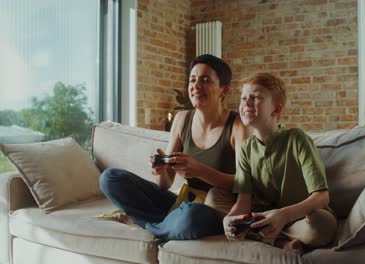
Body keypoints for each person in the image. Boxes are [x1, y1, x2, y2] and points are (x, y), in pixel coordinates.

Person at [99, 54, 250, 240]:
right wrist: (162, 170)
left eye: (205, 80)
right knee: (110, 178)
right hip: (181, 203)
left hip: (212, 210)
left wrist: (200, 170)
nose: (196, 86)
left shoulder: (237, 125)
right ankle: (164, 225)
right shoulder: (181, 119)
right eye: (192, 80)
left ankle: (144, 224)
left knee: (192, 215)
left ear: (223, 90)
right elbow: (164, 185)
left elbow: (245, 183)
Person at [223, 73, 337, 254]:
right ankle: (278, 239)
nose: (246, 102)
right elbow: (243, 202)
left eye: (256, 97)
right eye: (244, 98)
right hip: (265, 219)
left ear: (276, 110)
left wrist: (283, 215)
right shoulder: (245, 149)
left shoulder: (297, 139)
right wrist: (229, 219)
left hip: (300, 218)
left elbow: (321, 198)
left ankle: (275, 237)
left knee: (322, 224)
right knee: (214, 199)